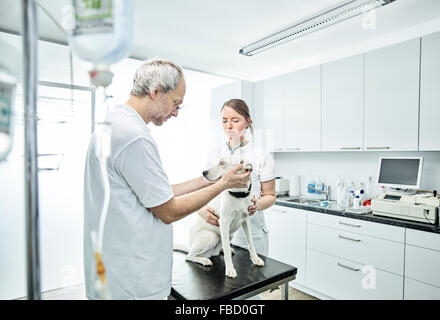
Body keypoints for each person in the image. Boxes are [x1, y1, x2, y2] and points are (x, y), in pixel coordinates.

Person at [83, 59, 251, 300]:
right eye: (176, 103)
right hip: (132, 283)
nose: (175, 112)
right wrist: (224, 184)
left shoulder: (114, 125)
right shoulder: (134, 137)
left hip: (114, 273)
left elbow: (158, 192)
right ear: (156, 92)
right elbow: (169, 211)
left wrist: (210, 180)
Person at [198, 99, 276, 257]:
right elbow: (204, 189)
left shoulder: (261, 154)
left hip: (251, 236)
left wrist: (257, 205)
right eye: (224, 121)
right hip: (219, 235)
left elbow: (270, 195)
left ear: (247, 122)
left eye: (235, 120)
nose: (229, 126)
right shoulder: (215, 153)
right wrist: (201, 210)